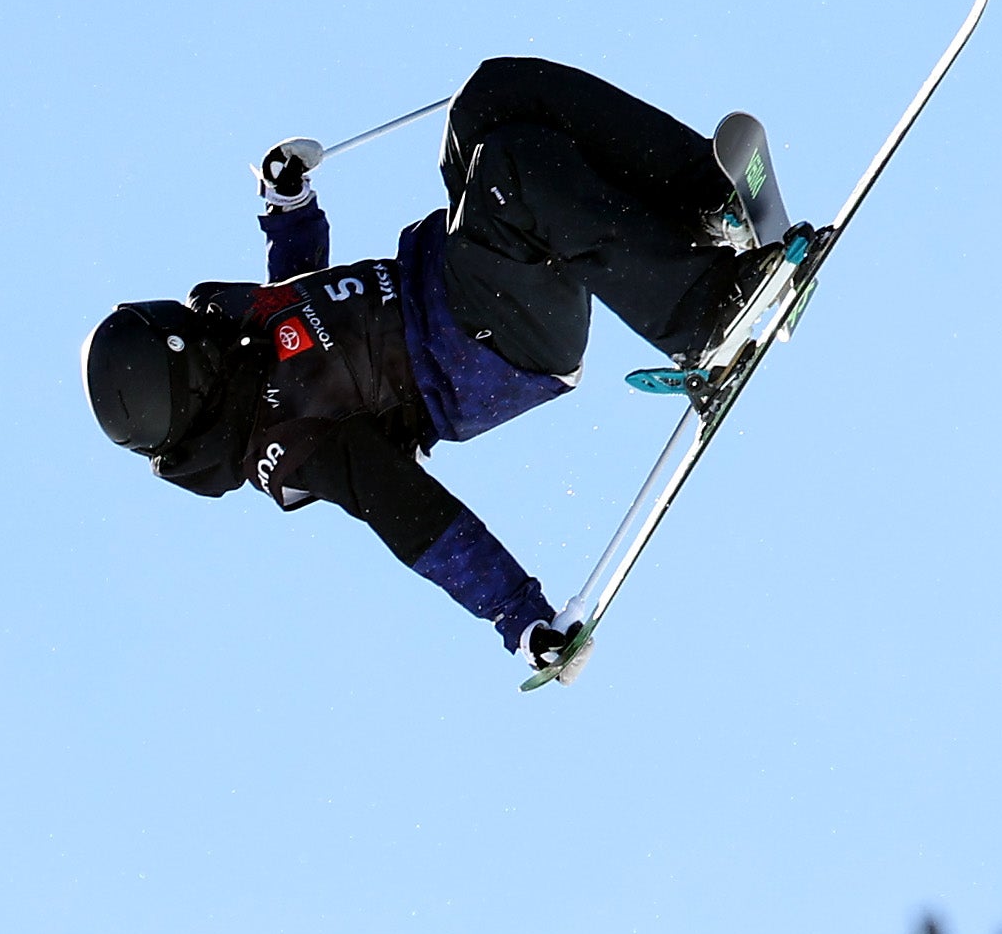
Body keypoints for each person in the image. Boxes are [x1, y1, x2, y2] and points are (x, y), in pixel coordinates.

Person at [79, 58, 783, 668]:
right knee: (508, 174)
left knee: (493, 97)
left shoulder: (239, 343)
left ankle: (703, 201)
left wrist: (289, 206)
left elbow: (304, 309)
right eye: (188, 331)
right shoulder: (289, 444)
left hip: (457, 273)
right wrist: (518, 614)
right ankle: (708, 316)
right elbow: (407, 513)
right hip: (489, 343)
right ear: (188, 373)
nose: (198, 318)